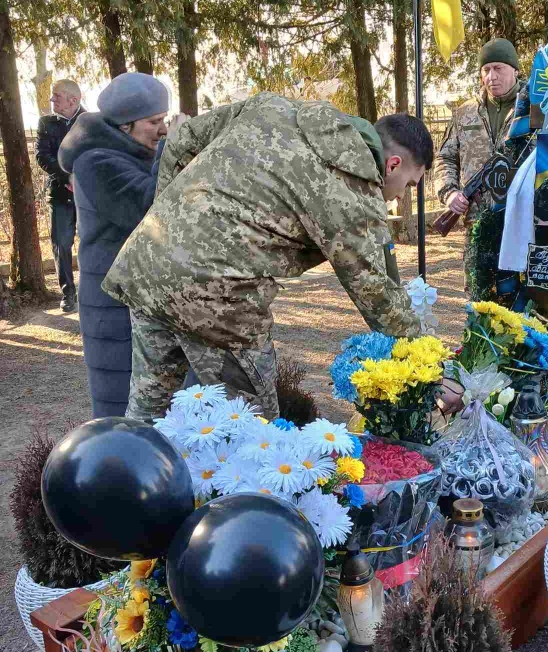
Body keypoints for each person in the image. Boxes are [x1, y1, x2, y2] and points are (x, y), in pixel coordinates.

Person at [102, 94, 431, 424]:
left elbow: (183, 140)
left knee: (146, 416)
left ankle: (122, 474)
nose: (401, 195)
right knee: (255, 434)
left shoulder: (275, 107)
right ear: (393, 165)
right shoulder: (352, 186)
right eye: (409, 184)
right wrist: (428, 366)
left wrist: (171, 219)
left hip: (149, 262)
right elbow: (377, 294)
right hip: (218, 298)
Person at [58, 72, 183, 418]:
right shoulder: (94, 162)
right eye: (155, 121)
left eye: (165, 120)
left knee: (163, 408)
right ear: (125, 126)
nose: (163, 129)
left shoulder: (134, 151)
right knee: (122, 412)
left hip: (139, 298)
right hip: (114, 309)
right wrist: (172, 150)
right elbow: (148, 209)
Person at [433, 38, 523, 285]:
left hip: (521, 220)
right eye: (486, 69)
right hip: (477, 222)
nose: (491, 76)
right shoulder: (465, 113)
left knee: (520, 293)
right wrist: (449, 192)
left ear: (515, 70)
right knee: (477, 291)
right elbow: (445, 157)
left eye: (499, 68)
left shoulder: (532, 110)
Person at [35, 79, 86, 312]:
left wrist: (82, 179)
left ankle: (92, 290)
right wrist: (68, 178)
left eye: (56, 95)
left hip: (89, 194)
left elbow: (100, 153)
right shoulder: (45, 123)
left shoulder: (92, 122)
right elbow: (42, 156)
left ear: (73, 100)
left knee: (91, 242)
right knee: (61, 244)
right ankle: (68, 295)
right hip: (59, 194)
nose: (52, 99)